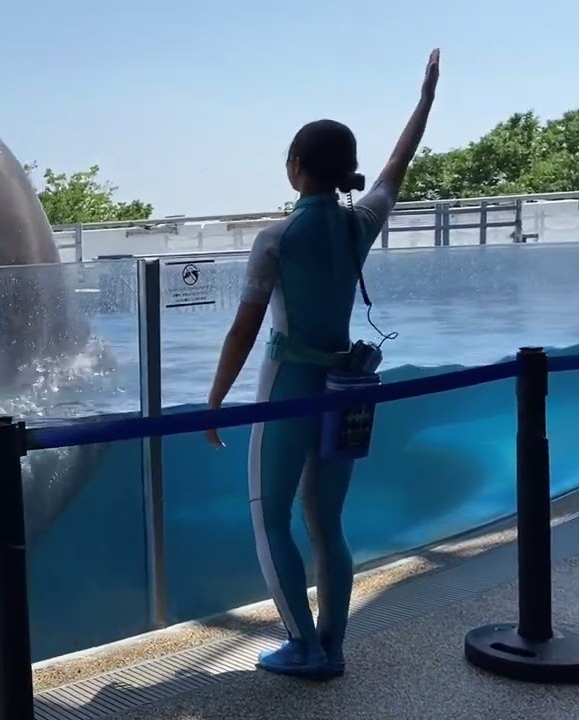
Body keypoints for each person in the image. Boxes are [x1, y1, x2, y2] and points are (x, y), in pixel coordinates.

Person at [204, 49, 441, 680]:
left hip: (290, 384)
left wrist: (215, 399)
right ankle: (333, 647)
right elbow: (398, 164)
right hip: (347, 383)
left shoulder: (275, 239)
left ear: (297, 168)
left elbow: (245, 329)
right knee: (326, 521)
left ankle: (302, 646)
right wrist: (424, 102)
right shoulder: (361, 221)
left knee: (269, 514)